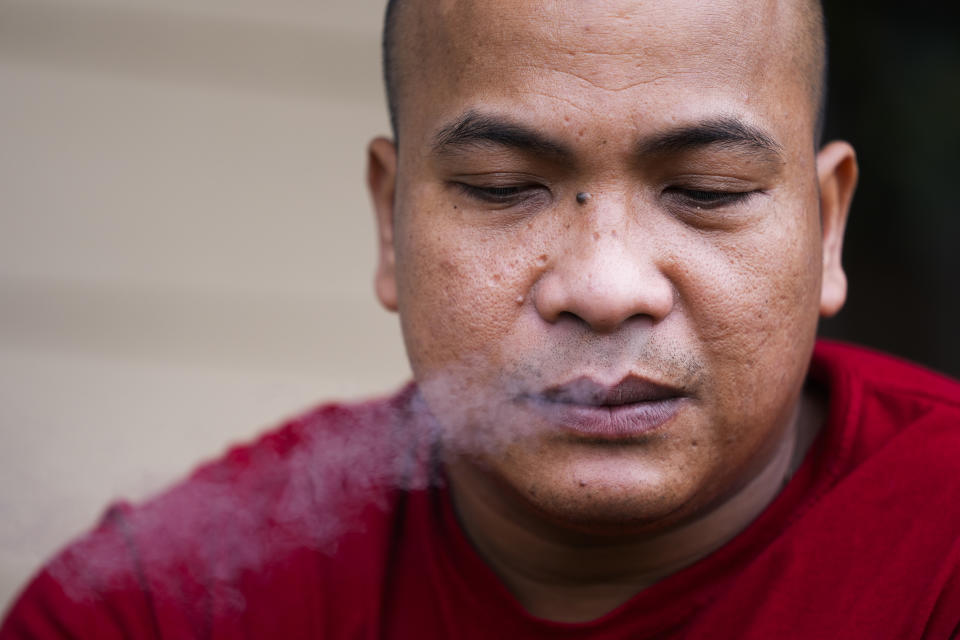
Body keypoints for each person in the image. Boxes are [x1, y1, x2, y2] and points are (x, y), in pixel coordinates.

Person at [3, 0, 960, 637]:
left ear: (826, 226)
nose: (605, 285)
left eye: (705, 190)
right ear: (390, 220)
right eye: (504, 189)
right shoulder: (165, 607)